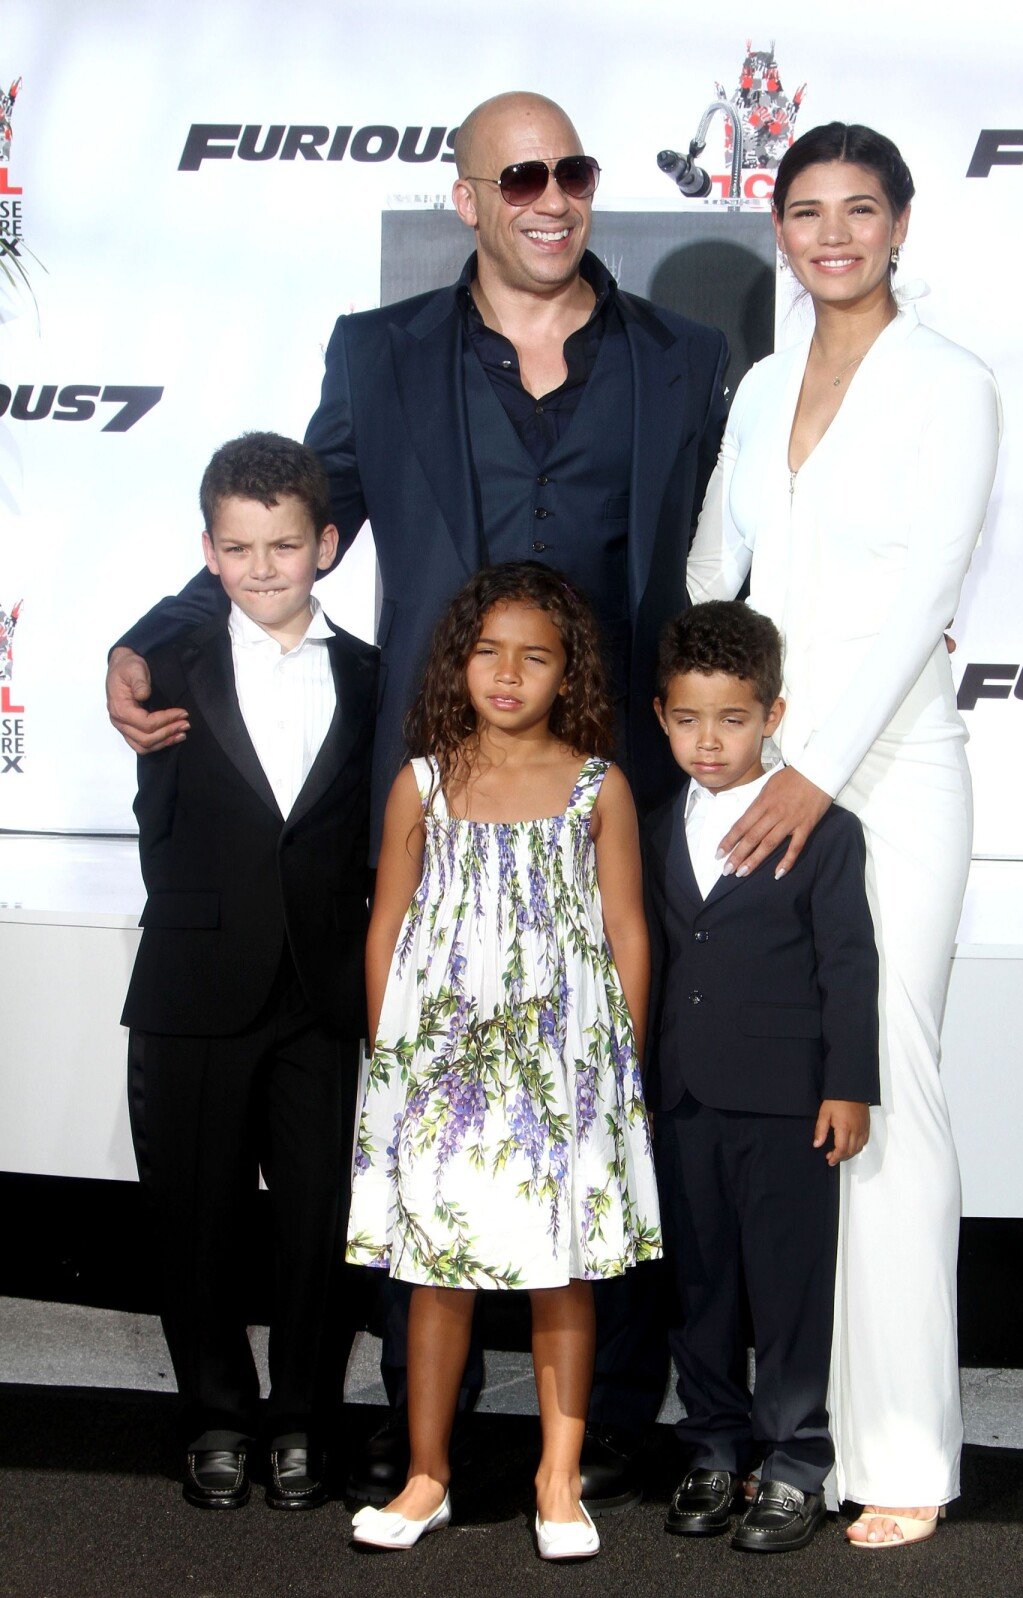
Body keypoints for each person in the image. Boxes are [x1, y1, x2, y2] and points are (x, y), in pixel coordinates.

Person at [105, 89, 728, 1510]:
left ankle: (618, 1415)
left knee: (598, 1091)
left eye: (571, 171)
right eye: (519, 176)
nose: (550, 197)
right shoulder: (377, 357)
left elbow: (737, 552)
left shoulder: (684, 361)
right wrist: (149, 634)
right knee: (420, 1101)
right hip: (433, 803)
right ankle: (412, 1424)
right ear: (468, 197)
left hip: (601, 794)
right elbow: (293, 526)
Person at [687, 123, 1002, 1546]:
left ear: (901, 224)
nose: (832, 235)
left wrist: (808, 769)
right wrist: (725, 728)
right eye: (805, 211)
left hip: (889, 768)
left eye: (858, 210)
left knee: (891, 1088)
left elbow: (932, 578)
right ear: (779, 229)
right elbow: (715, 565)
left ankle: (906, 1451)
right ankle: (790, 1427)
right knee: (790, 1091)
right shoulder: (759, 386)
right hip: (767, 774)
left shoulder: (955, 385)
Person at [344, 562, 660, 1559]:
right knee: (438, 1275)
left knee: (563, 1273)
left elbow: (625, 927)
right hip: (441, 1067)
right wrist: (390, 1058)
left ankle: (558, 1480)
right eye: (489, 650)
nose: (510, 672)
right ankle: (427, 1473)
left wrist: (623, 1068)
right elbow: (387, 922)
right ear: (460, 663)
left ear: (568, 672)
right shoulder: (424, 782)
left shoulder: (599, 785)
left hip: (565, 1071)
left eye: (536, 654)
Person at [121, 432, 378, 1511]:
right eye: (238, 546)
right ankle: (218, 1413)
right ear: (207, 551)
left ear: (325, 543)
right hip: (191, 988)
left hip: (322, 991)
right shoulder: (154, 665)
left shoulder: (371, 674)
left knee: (319, 1220)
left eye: (283, 543)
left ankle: (301, 1421)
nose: (263, 566)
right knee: (197, 1215)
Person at [642, 601, 878, 1555]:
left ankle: (793, 1462)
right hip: (683, 1098)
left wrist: (848, 1083)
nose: (709, 741)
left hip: (788, 1103)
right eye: (689, 720)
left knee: (787, 1289)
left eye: (732, 719)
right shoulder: (652, 824)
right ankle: (710, 1445)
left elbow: (848, 963)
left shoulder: (825, 829)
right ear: (661, 715)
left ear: (773, 714)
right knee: (698, 1285)